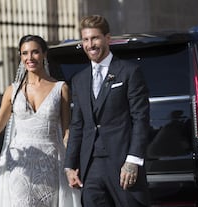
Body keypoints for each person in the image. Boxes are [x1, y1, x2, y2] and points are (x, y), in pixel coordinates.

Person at [0, 34, 81, 207]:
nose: (30, 58)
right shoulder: (12, 91)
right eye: (25, 53)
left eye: (35, 52)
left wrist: (71, 163)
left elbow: (67, 132)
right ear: (20, 57)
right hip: (19, 163)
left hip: (51, 163)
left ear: (44, 54)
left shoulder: (61, 88)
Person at [64, 15, 151, 207]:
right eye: (85, 40)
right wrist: (70, 165)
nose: (90, 44)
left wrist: (133, 161)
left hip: (122, 164)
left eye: (95, 38)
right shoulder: (79, 79)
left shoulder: (129, 72)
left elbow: (140, 119)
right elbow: (77, 124)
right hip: (91, 167)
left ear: (108, 39)